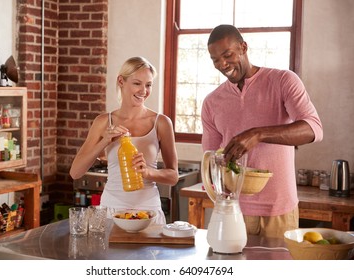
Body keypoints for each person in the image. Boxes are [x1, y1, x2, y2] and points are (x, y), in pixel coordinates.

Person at [201, 25, 323, 238]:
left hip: (280, 210)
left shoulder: (283, 81)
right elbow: (210, 159)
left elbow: (313, 129)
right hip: (233, 212)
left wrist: (258, 134)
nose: (222, 64)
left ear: (243, 47)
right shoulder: (212, 102)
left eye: (227, 55)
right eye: (215, 60)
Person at [70, 56, 179, 225]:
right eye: (137, 83)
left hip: (149, 211)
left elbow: (173, 176)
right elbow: (75, 172)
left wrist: (148, 173)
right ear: (121, 81)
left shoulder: (161, 122)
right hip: (112, 210)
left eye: (148, 84)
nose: (144, 90)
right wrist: (104, 140)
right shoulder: (103, 122)